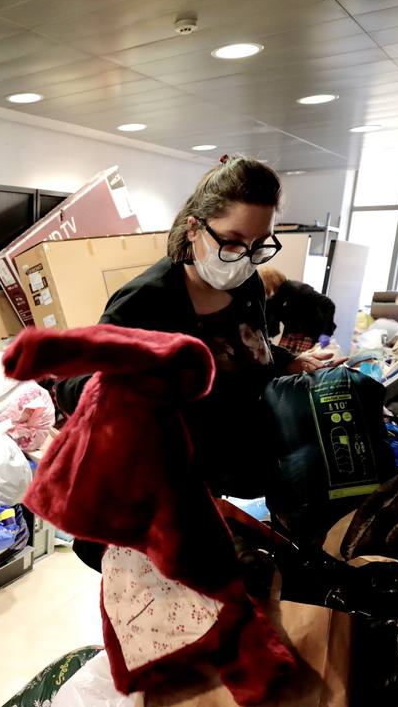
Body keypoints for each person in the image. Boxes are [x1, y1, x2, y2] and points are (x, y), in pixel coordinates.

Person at [54, 155, 338, 504]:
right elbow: (73, 382)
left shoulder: (247, 285)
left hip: (239, 473)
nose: (245, 258)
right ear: (194, 228)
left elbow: (247, 348)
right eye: (232, 241)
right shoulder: (148, 300)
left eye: (259, 244)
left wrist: (290, 361)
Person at [260, 266, 337, 354]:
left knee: (304, 362)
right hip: (291, 332)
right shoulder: (274, 298)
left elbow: (329, 305)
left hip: (310, 332)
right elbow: (270, 319)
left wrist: (326, 333)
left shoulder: (298, 290)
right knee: (284, 360)